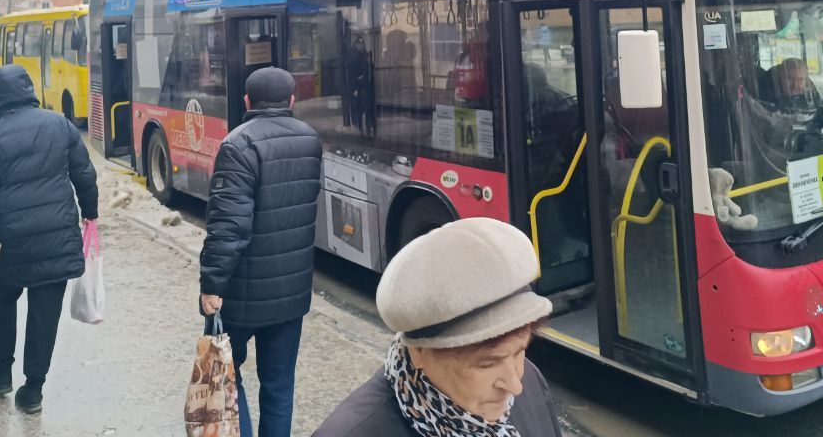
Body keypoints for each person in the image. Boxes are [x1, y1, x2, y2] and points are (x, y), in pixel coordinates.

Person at [313, 217, 563, 437]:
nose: (515, 385)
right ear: (419, 351)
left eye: (519, 351)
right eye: (487, 364)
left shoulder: (530, 381)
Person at [0, 64, 98, 415]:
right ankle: (33, 390)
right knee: (44, 316)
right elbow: (84, 174)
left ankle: (2, 374)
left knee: (1, 303)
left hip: (4, 241)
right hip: (56, 238)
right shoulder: (60, 125)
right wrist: (90, 211)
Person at [199, 66, 323, 437]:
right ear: (292, 100)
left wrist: (211, 285)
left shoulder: (238, 144)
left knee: (225, 377)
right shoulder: (310, 139)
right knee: (279, 385)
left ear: (247, 101)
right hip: (292, 293)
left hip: (242, 295)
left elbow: (228, 226)